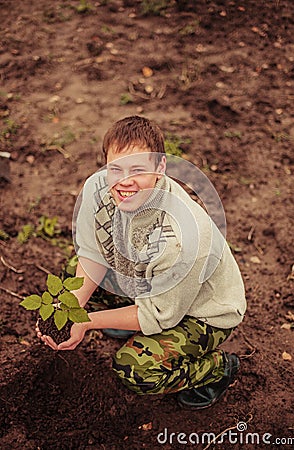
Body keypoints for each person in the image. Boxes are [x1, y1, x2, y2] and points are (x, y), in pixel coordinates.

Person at [37, 115, 246, 409]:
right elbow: (93, 255)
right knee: (72, 276)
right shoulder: (98, 191)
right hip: (149, 284)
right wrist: (68, 310)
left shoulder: (182, 237)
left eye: (138, 169)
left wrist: (86, 322)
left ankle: (216, 370)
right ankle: (124, 321)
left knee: (134, 369)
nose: (125, 181)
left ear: (160, 168)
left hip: (202, 313)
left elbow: (160, 315)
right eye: (115, 169)